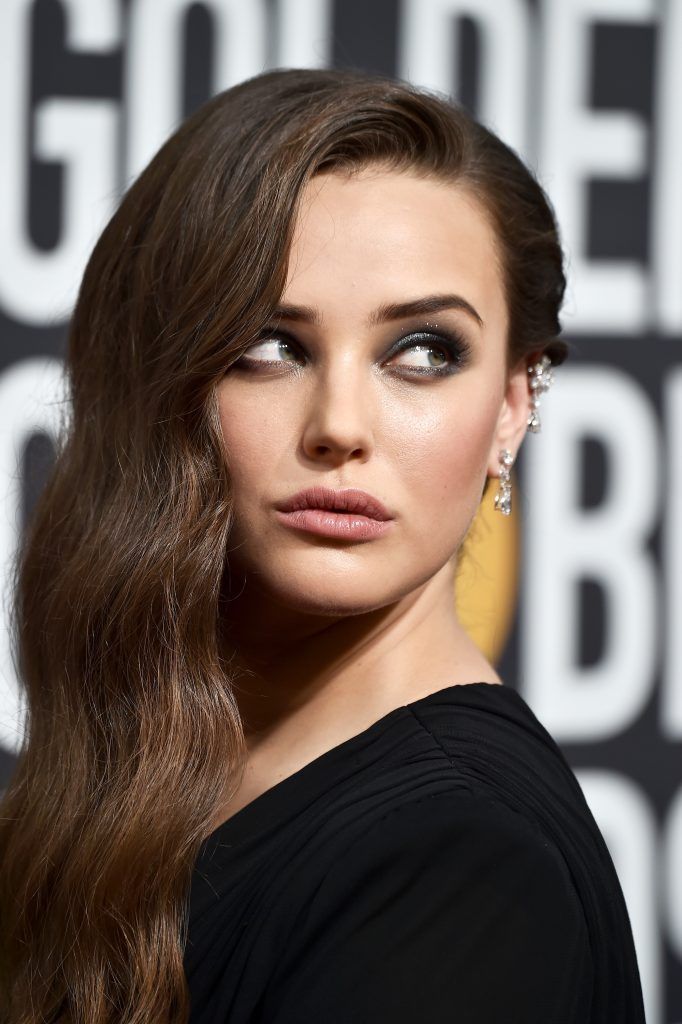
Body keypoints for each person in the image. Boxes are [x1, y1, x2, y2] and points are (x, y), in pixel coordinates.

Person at [0, 67, 645, 1024]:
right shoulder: (142, 767)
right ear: (162, 379)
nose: (339, 425)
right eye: (269, 345)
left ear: (514, 405)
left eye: (422, 351)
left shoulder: (461, 867)